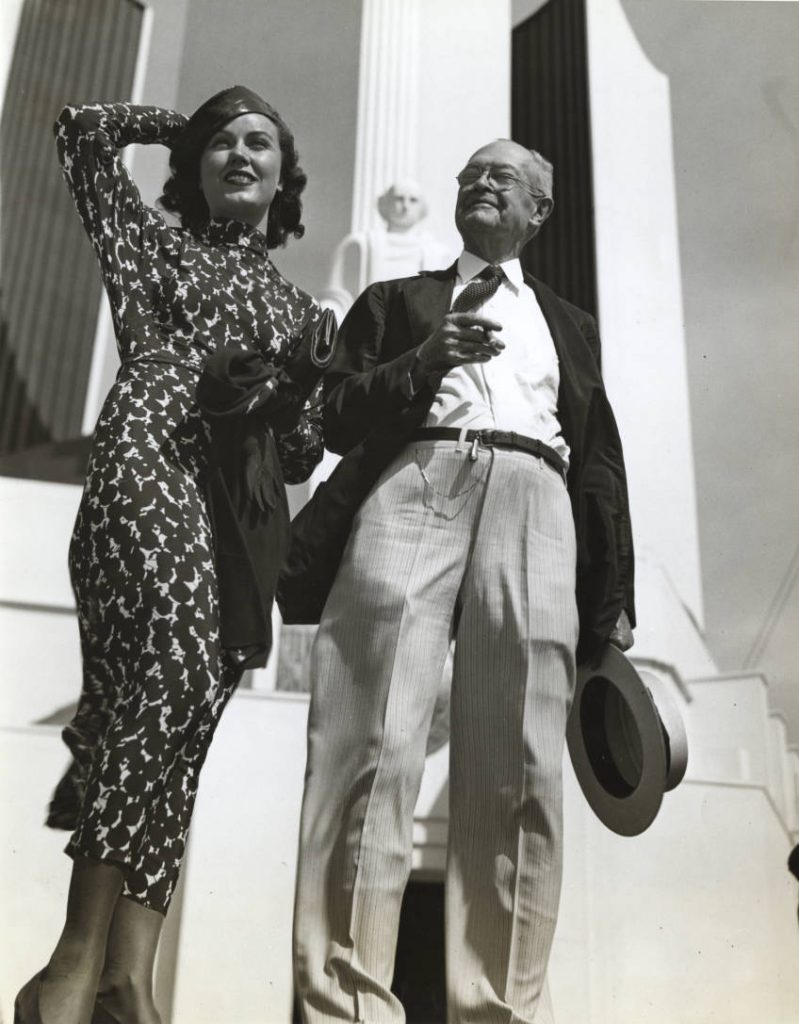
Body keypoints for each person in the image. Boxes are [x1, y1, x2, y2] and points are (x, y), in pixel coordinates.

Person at [291, 139, 635, 1024]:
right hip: (416, 481)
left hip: (534, 499)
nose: (481, 185)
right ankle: (346, 1007)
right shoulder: (398, 300)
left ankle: (500, 1011)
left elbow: (597, 458)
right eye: (471, 175)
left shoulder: (567, 323)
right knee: (369, 744)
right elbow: (327, 416)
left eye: (504, 179)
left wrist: (612, 598)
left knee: (520, 769)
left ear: (537, 213)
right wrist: (422, 359)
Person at [15, 86, 327, 1024]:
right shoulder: (153, 245)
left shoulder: (296, 306)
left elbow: (306, 449)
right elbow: (81, 132)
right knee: (164, 679)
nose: (239, 154)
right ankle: (73, 962)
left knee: (184, 720)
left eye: (259, 142)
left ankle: (129, 976)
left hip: (238, 517)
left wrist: (301, 383)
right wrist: (180, 122)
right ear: (194, 165)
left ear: (284, 175)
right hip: (146, 465)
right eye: (221, 142)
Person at [319, 179, 453, 323]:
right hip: (367, 331)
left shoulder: (439, 254)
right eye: (399, 199)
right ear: (386, 204)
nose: (405, 206)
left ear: (422, 208)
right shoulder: (359, 245)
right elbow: (337, 297)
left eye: (413, 200)